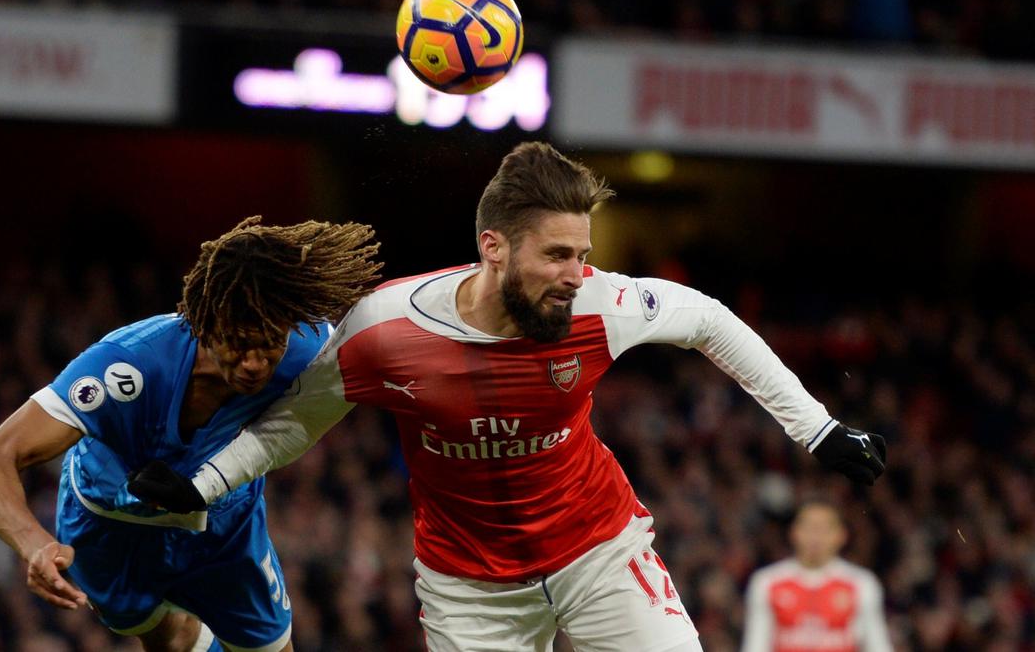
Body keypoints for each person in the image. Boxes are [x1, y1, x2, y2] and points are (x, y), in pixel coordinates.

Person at [130, 142, 887, 652]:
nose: (575, 271)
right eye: (557, 253)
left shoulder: (600, 305)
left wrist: (816, 430)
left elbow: (709, 322)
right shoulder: (384, 329)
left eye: (582, 254)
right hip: (468, 589)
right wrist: (202, 482)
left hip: (597, 549)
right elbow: (295, 424)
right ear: (493, 246)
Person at [0, 217, 381, 652]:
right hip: (109, 526)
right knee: (168, 639)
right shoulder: (128, 367)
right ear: (202, 323)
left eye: (270, 343)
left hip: (222, 525)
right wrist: (34, 545)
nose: (256, 363)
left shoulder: (309, 349)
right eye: (239, 342)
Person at [741, 501, 893, 652]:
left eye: (824, 529)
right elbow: (755, 645)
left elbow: (877, 645)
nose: (815, 536)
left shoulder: (861, 584)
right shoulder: (767, 582)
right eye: (809, 527)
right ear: (794, 532)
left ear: (841, 535)